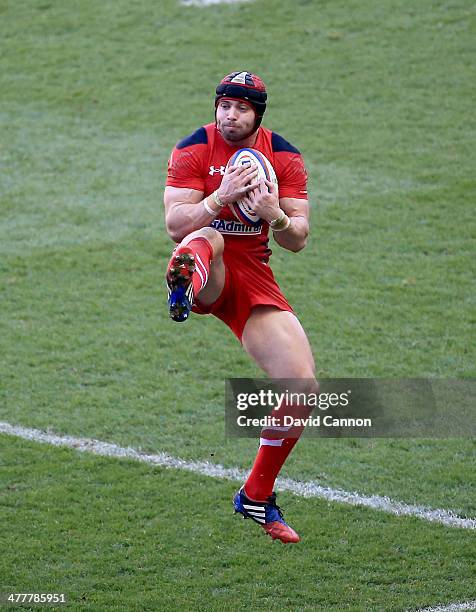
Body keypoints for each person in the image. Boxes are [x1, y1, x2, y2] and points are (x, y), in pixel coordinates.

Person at [164, 71, 318, 544]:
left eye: (240, 108)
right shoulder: (194, 147)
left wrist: (273, 213)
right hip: (210, 260)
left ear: (257, 115)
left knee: (303, 390)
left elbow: (298, 238)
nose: (229, 115)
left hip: (254, 275)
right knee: (201, 237)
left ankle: (255, 495)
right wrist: (220, 198)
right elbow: (174, 222)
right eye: (224, 106)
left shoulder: (285, 155)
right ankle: (185, 284)